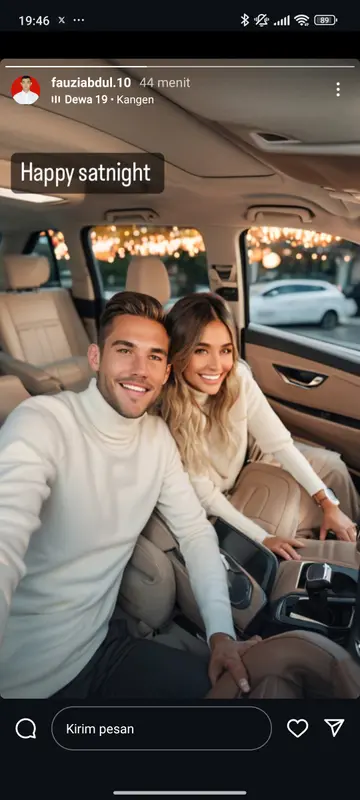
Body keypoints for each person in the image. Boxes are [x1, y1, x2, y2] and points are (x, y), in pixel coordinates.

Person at [0, 290, 357, 701]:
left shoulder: (156, 441)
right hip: (21, 679)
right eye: (125, 350)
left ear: (167, 369)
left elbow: (195, 534)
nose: (140, 370)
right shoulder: (43, 421)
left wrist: (221, 634)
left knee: (257, 690)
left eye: (154, 356)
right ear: (95, 357)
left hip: (103, 648)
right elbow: (8, 535)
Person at [160, 292, 360, 562]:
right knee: (284, 525)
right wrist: (262, 538)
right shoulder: (167, 410)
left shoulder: (237, 376)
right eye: (201, 350)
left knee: (332, 467)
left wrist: (328, 504)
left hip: (244, 468)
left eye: (225, 350)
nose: (217, 365)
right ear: (179, 351)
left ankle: (351, 541)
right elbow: (205, 494)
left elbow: (278, 443)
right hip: (211, 502)